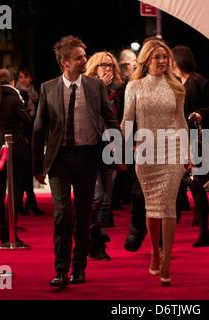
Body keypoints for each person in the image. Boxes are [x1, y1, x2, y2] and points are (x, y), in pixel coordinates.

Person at [32, 35, 121, 288]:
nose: (85, 60)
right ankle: (60, 270)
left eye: (84, 55)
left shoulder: (95, 87)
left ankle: (78, 268)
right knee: (62, 215)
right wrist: (38, 167)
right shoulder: (48, 88)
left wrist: (116, 147)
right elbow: (39, 130)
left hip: (88, 157)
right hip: (60, 159)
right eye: (79, 57)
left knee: (84, 215)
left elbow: (110, 118)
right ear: (64, 62)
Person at [121, 39, 187, 286]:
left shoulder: (176, 85)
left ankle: (167, 260)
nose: (162, 61)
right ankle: (155, 253)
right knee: (152, 208)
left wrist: (188, 153)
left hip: (173, 150)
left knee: (168, 206)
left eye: (165, 57)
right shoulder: (134, 86)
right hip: (146, 152)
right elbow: (127, 121)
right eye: (157, 57)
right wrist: (122, 151)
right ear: (146, 60)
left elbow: (181, 121)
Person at [171, 45, 209, 247]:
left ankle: (204, 229)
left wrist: (200, 113)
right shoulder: (172, 83)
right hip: (179, 138)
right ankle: (184, 225)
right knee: (180, 183)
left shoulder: (199, 82)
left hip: (199, 137)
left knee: (196, 183)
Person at [84, 51, 125, 260]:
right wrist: (101, 89)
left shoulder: (119, 90)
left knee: (107, 197)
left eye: (110, 65)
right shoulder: (87, 87)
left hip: (112, 145)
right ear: (94, 67)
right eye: (103, 65)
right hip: (92, 145)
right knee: (98, 195)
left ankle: (99, 241)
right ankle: (88, 234)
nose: (107, 68)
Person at [0, 68, 32, 245]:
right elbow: (28, 122)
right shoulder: (15, 99)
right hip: (14, 149)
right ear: (12, 82)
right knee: (14, 192)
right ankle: (12, 233)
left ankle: (2, 231)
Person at [15, 68, 45, 216]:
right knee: (22, 172)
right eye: (20, 77)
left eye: (25, 77)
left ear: (31, 79)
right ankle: (23, 203)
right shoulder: (16, 94)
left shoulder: (35, 94)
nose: (22, 80)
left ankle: (29, 202)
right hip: (20, 137)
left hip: (32, 137)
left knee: (28, 171)